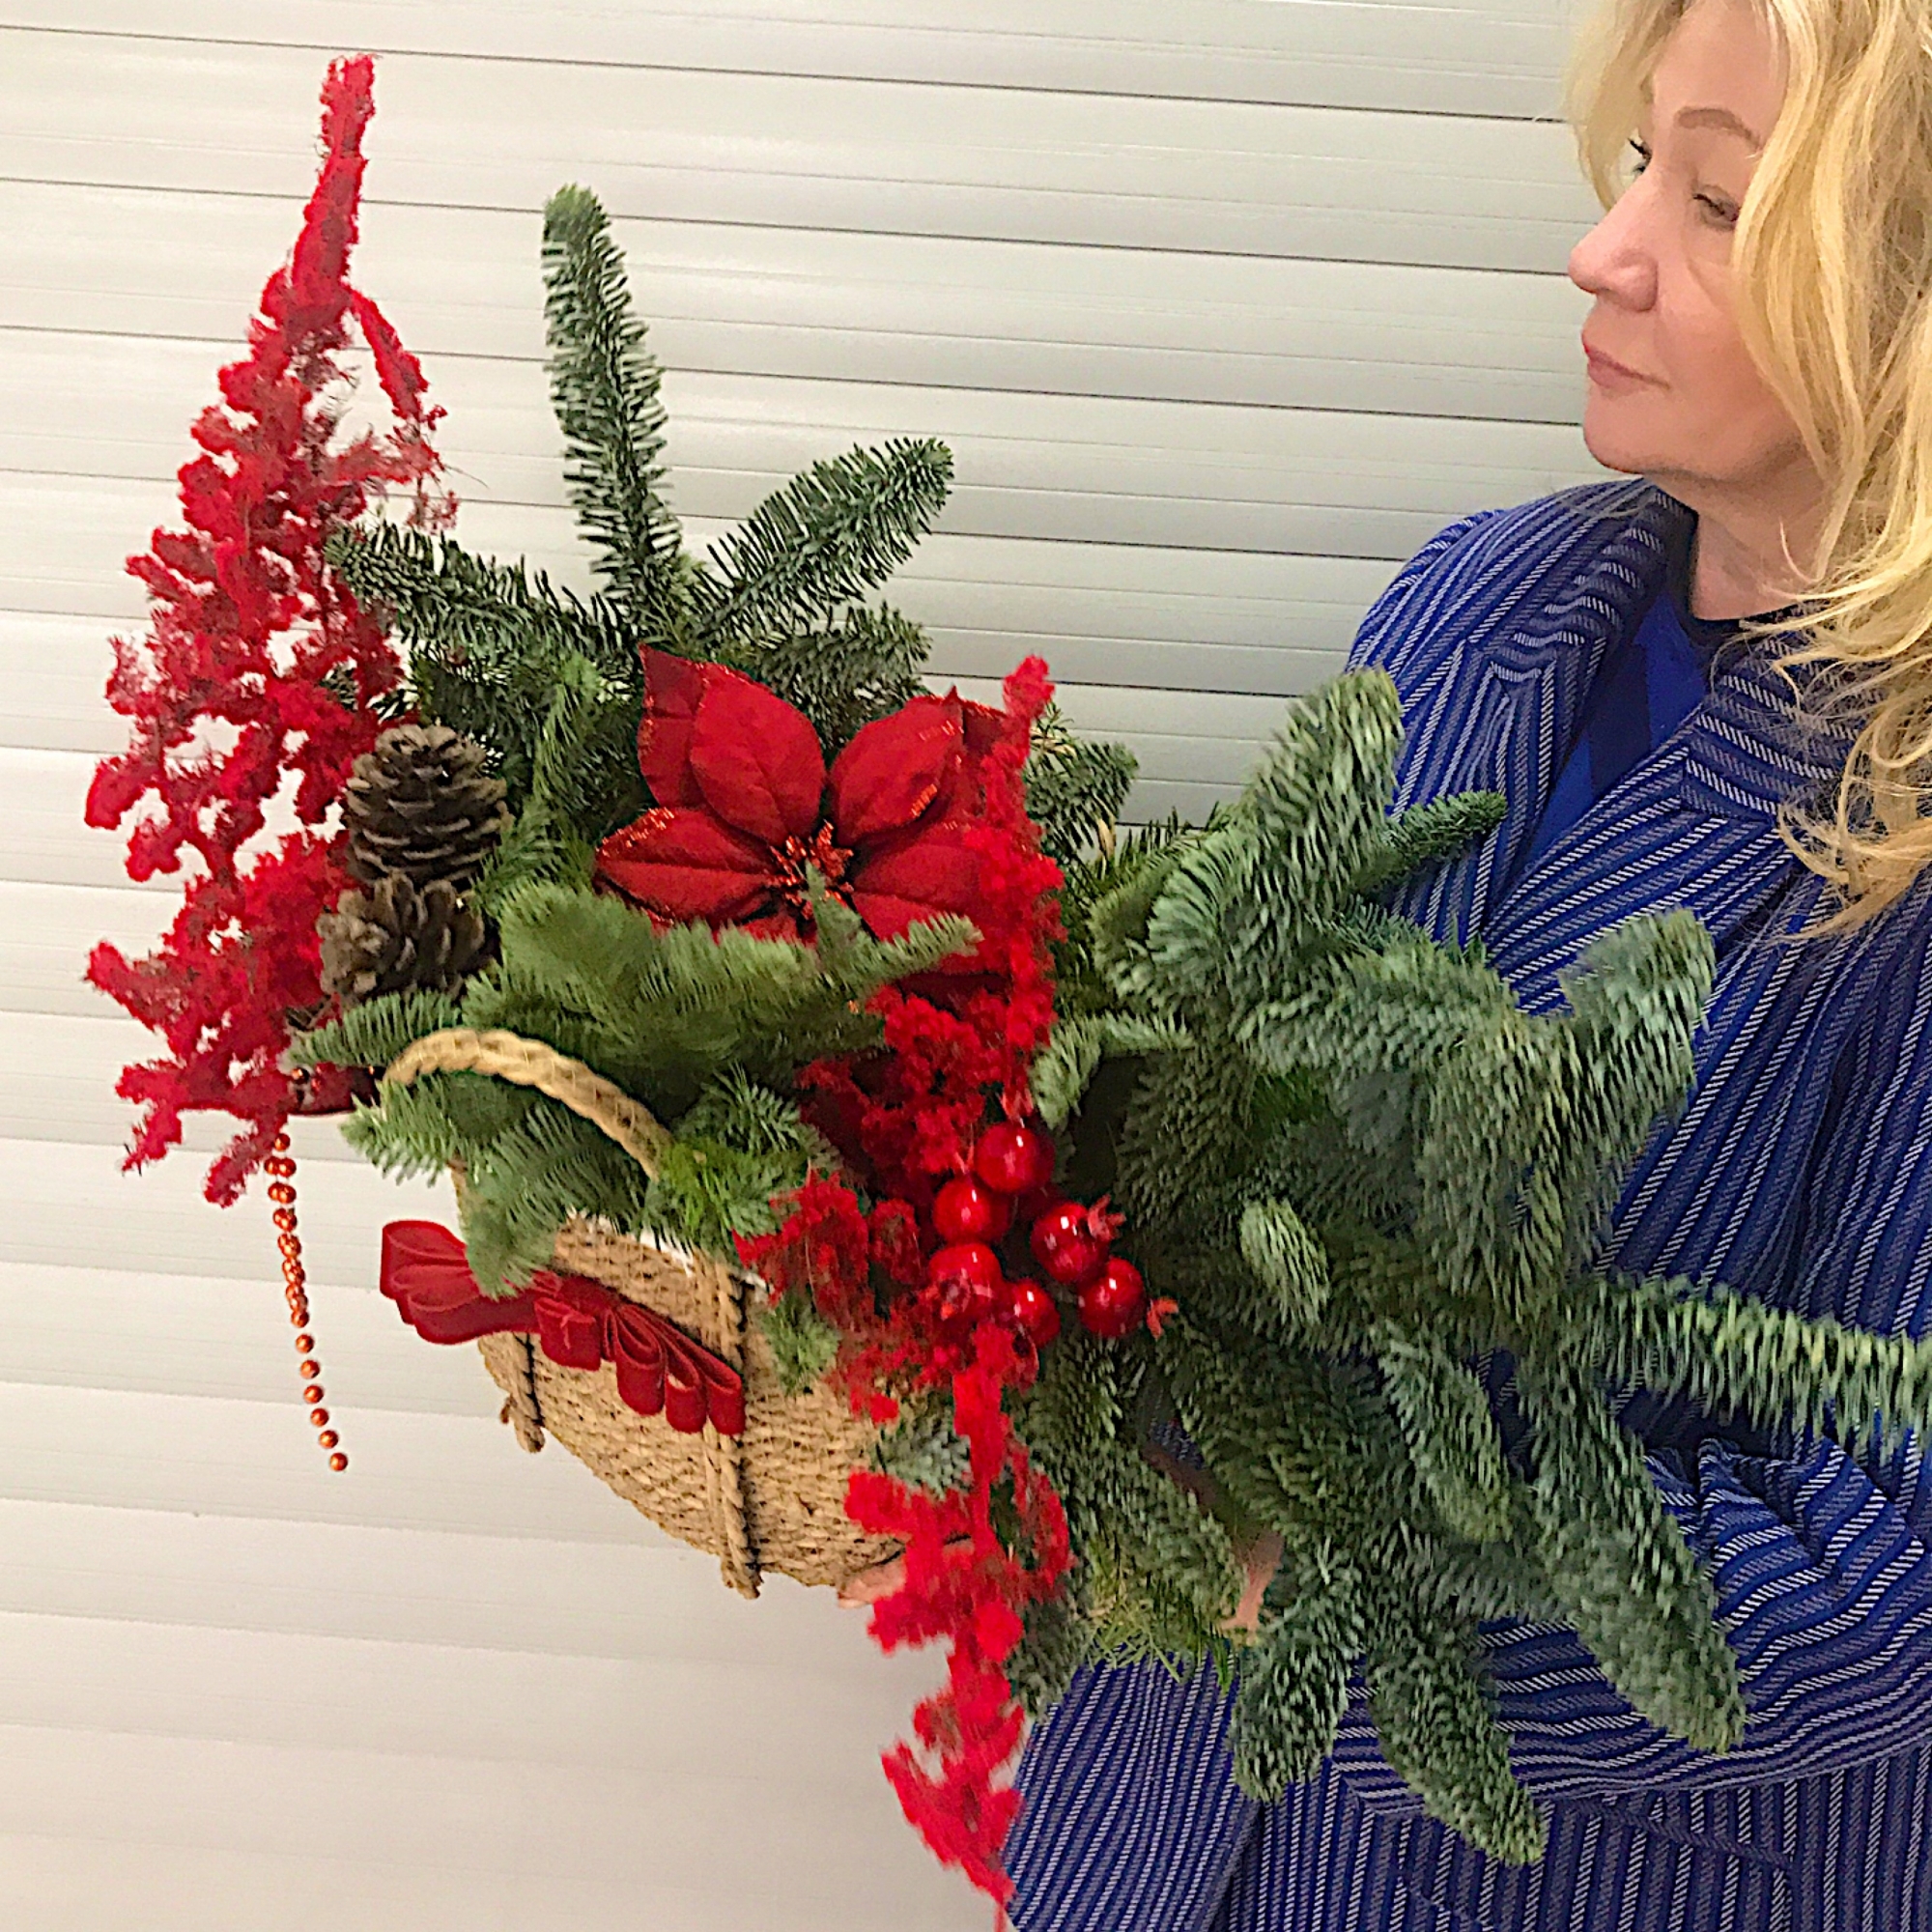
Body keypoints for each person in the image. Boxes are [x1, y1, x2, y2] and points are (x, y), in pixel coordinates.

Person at [845, 0, 1932, 1923]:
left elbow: (1885, 1564)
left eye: (1714, 206)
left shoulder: (1898, 840)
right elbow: (1214, 1084)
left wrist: (1325, 1614)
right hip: (1164, 1818)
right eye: (1638, 165)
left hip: (1566, 1867)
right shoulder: (1480, 595)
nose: (1600, 252)